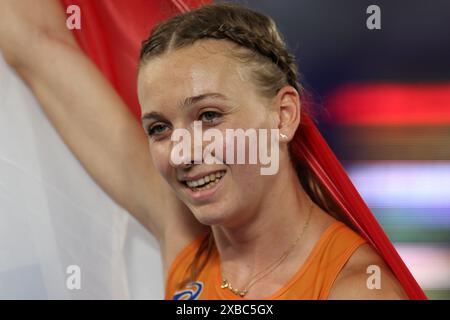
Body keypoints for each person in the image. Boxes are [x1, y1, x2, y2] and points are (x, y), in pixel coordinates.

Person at [0, 1, 408, 299]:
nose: (182, 153)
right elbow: (37, 44)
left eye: (209, 116)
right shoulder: (184, 234)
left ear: (283, 115)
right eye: (159, 128)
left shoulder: (355, 290)